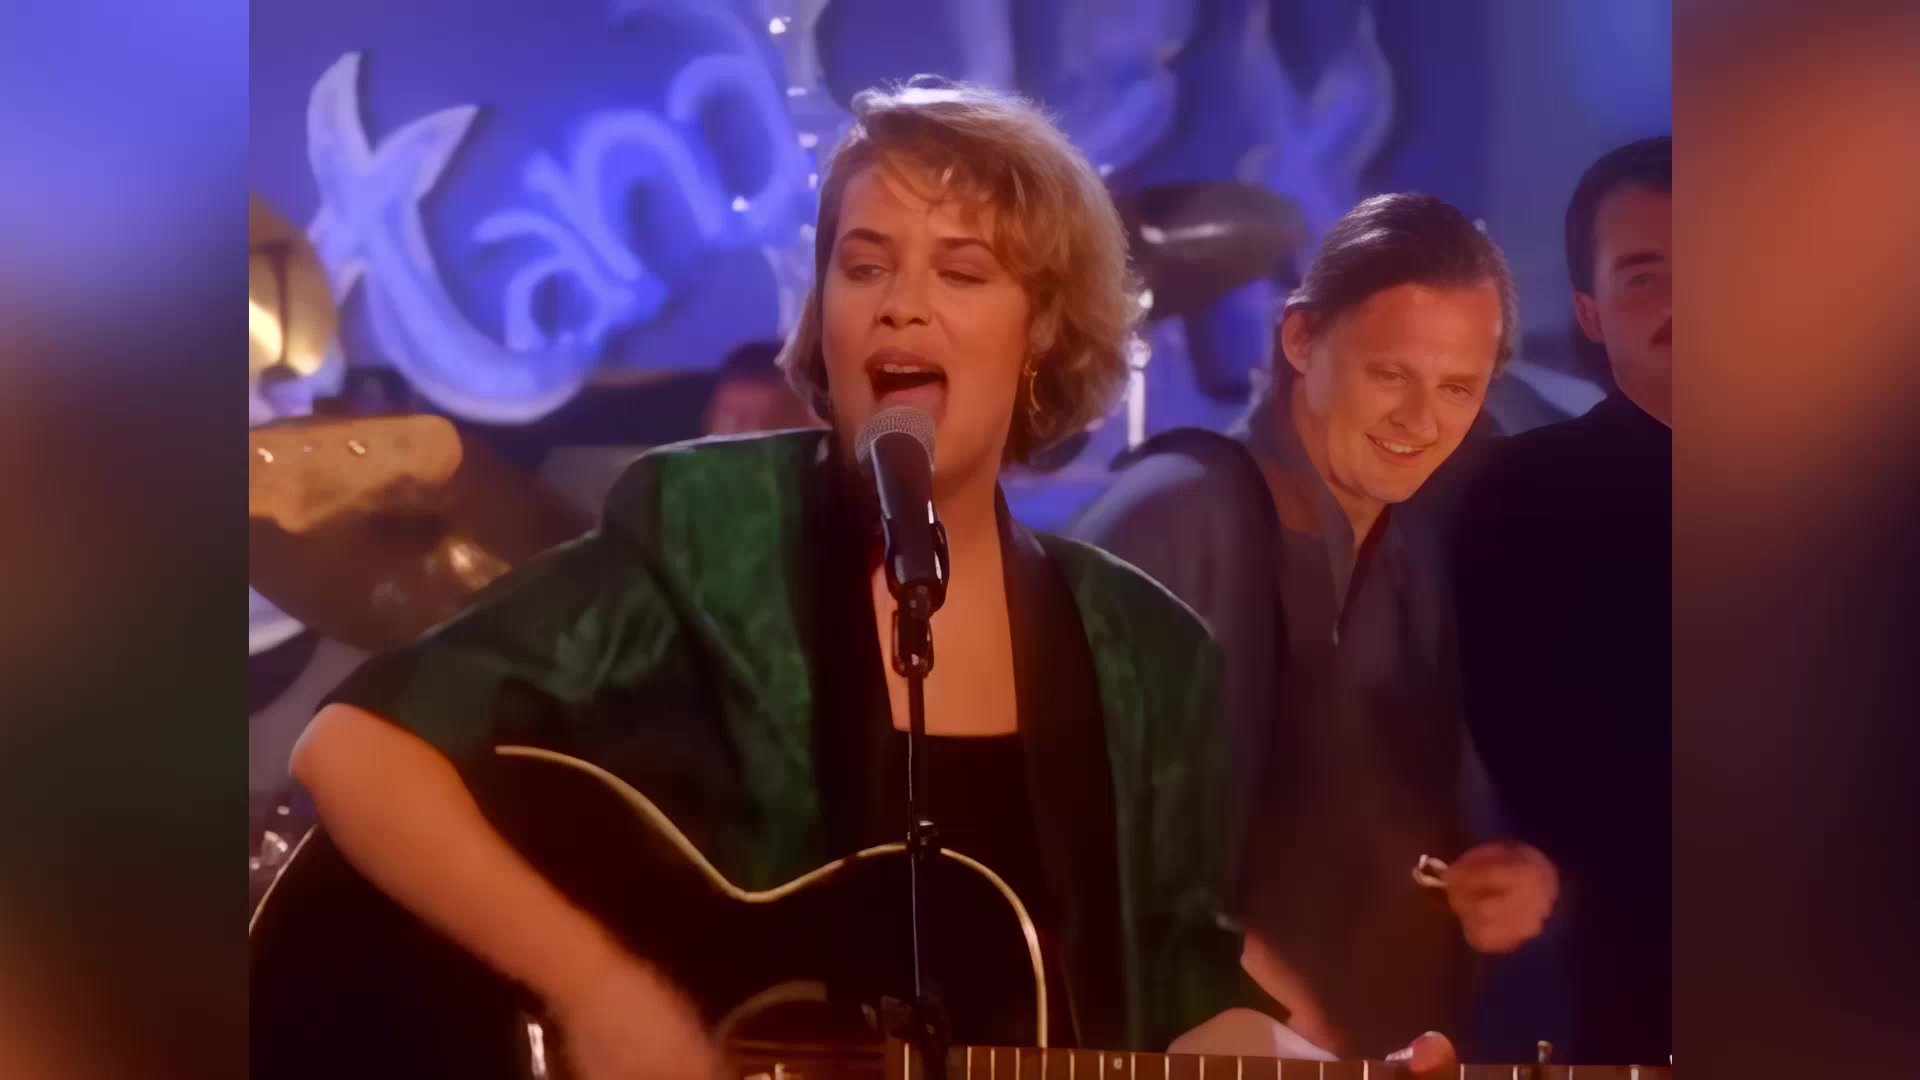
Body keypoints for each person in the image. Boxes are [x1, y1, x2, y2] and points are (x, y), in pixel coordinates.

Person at [288, 78, 1394, 1080]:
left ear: (1043, 335)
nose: (900, 304)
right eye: (865, 266)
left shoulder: (1149, 655)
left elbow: (1180, 1000)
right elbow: (356, 750)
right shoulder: (717, 536)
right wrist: (599, 989)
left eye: (961, 271)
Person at [1069, 193, 1559, 1060]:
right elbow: (1066, 836)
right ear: (1300, 339)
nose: (1422, 421)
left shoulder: (1412, 550)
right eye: (1390, 375)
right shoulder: (1180, 513)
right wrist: (1240, 986)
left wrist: (1501, 875)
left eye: (1458, 388)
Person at [1447, 135, 1671, 1065]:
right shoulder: (1518, 500)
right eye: (1646, 275)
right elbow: (1511, 773)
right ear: (1590, 310)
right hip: (1607, 1002)